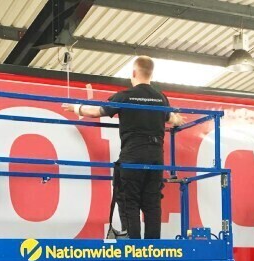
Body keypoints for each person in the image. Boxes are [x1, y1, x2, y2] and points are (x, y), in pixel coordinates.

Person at [62, 56, 183, 239]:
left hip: (133, 153)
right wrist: (177, 119)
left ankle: (133, 247)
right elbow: (172, 119)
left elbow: (96, 111)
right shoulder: (161, 98)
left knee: (128, 201)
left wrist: (76, 108)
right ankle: (154, 249)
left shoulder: (125, 96)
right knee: (152, 203)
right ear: (151, 74)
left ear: (133, 73)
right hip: (156, 157)